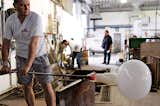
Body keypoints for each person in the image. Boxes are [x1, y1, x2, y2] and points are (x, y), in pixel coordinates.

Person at [1, 0, 56, 106]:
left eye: (28, 5)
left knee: (46, 85)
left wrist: (27, 66)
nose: (26, 8)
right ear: (15, 6)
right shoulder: (10, 20)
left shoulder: (35, 18)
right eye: (22, 5)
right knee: (27, 85)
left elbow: (33, 44)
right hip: (21, 57)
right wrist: (5, 63)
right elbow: (6, 43)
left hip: (39, 55)